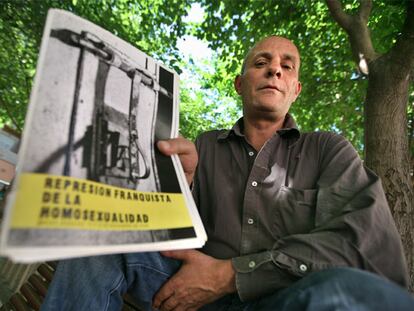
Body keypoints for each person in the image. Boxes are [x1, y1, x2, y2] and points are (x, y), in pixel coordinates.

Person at [41, 36, 414, 311]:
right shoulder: (203, 147)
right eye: (261, 62)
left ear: (295, 90)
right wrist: (174, 187)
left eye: (287, 66)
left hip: (288, 302)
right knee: (103, 239)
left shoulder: (328, 150)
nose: (274, 69)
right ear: (239, 83)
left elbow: (363, 246)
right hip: (188, 298)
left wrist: (231, 274)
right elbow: (166, 235)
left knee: (352, 292)